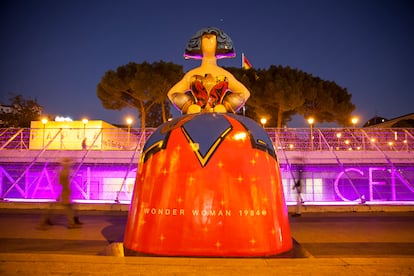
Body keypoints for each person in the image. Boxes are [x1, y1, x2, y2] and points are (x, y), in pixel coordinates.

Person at [167, 27, 250, 114]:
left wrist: (227, 106)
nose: (209, 38)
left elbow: (244, 93)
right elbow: (172, 93)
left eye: (212, 37)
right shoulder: (191, 75)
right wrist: (188, 106)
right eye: (205, 38)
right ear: (198, 43)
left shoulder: (225, 75)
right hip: (196, 118)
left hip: (220, 117)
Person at [38, 158, 82, 229]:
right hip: (64, 193)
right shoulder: (64, 173)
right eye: (69, 163)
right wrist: (61, 194)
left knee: (62, 208)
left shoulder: (65, 171)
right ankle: (44, 222)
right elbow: (63, 185)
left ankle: (45, 221)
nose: (71, 165)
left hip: (64, 193)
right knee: (65, 208)